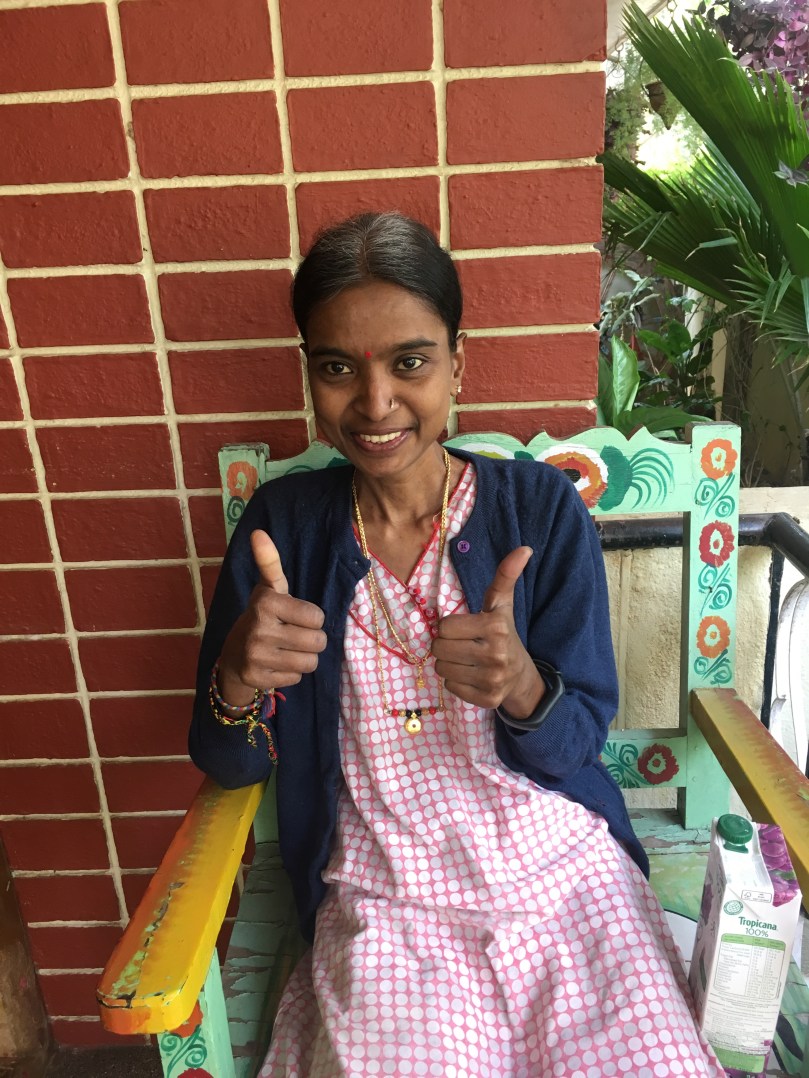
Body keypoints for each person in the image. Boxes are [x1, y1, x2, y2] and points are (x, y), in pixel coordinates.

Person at [189, 212, 722, 1077]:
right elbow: (228, 761)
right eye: (337, 368)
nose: (375, 403)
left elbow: (576, 739)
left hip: (559, 871)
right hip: (387, 894)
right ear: (310, 374)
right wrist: (237, 680)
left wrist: (523, 687)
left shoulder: (538, 510)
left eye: (410, 362)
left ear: (456, 363)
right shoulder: (282, 529)